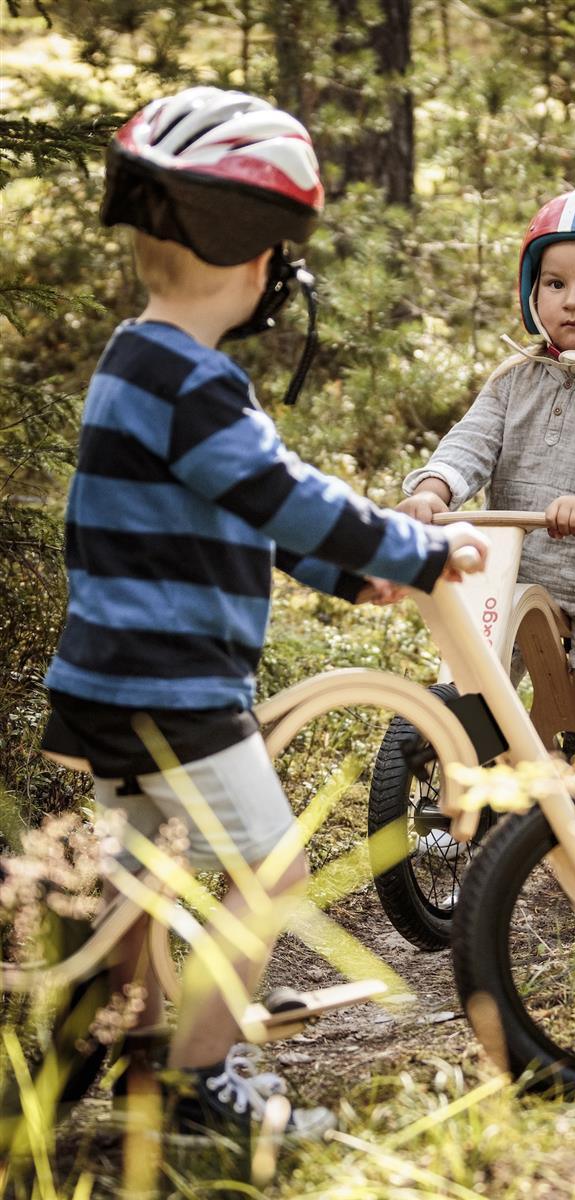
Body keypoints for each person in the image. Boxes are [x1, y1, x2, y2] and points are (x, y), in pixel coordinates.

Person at [40, 86, 488, 1157]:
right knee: (269, 875)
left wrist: (344, 580)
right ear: (261, 264)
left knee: (142, 884)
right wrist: (415, 550)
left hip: (110, 684)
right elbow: (290, 497)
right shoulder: (196, 384)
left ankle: (109, 1049)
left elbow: (234, 515)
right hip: (176, 691)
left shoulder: (133, 365)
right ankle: (205, 1081)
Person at [397, 186, 575, 900]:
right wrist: (434, 490)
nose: (572, 301)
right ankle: (458, 805)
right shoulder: (513, 378)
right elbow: (471, 445)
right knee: (475, 689)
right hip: (518, 574)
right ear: (532, 290)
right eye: (555, 283)